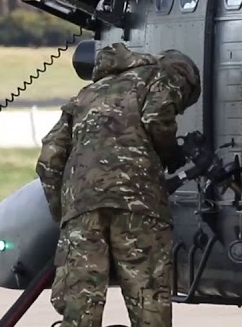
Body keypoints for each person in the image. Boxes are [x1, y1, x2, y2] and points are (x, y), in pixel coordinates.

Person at [37, 43, 202, 327]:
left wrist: (64, 214)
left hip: (81, 209)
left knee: (81, 304)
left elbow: (49, 160)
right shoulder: (164, 75)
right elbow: (156, 117)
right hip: (138, 204)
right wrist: (168, 154)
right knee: (147, 296)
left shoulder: (84, 96)